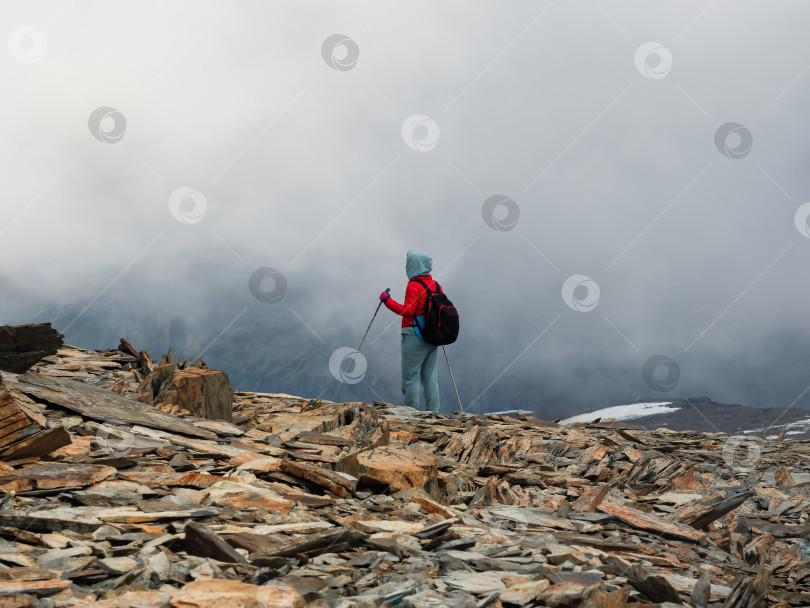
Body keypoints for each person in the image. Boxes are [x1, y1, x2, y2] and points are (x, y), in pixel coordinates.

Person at [379, 251, 440, 413]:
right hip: (433, 335)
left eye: (408, 264)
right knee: (430, 377)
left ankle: (411, 413)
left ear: (415, 266)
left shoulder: (414, 285)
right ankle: (433, 412)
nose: (406, 267)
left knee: (410, 377)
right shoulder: (435, 285)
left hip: (414, 334)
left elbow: (407, 311)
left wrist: (387, 300)